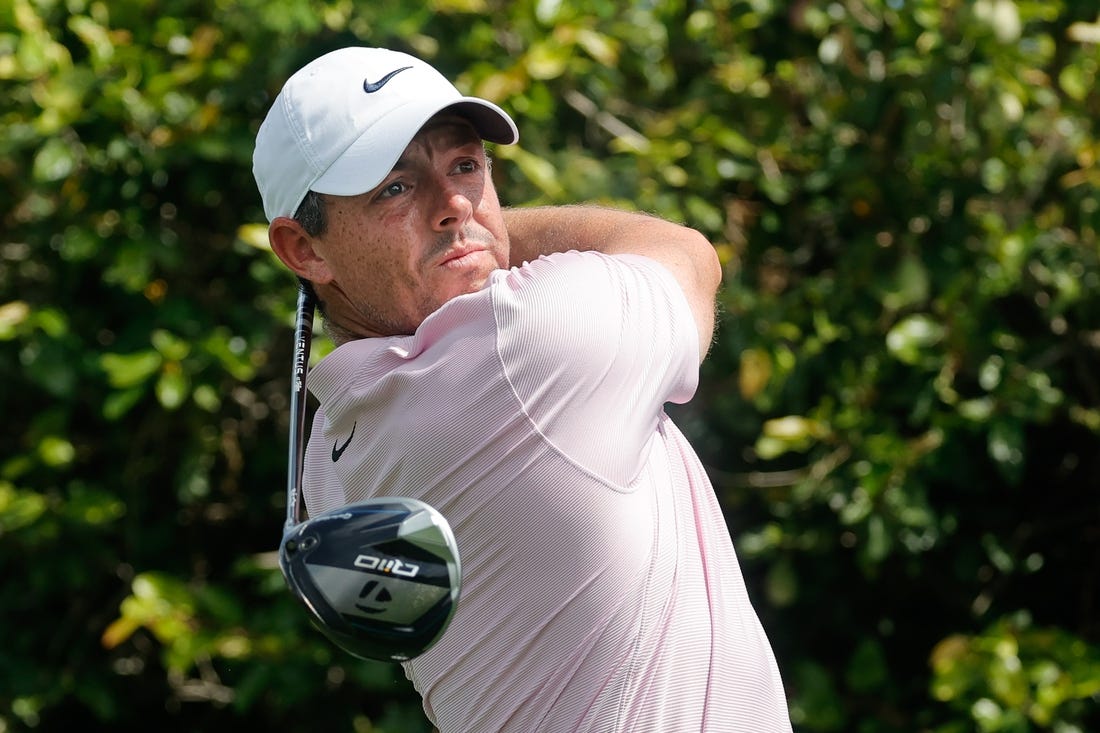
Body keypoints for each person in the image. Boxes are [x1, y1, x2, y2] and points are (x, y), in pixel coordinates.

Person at [253, 46, 792, 733]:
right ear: (305, 249)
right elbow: (684, 252)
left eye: (466, 166)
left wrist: (460, 238)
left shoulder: (328, 460)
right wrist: (485, 233)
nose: (451, 204)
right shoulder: (534, 345)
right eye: (394, 187)